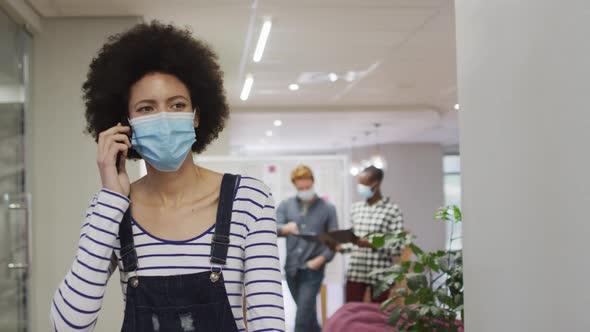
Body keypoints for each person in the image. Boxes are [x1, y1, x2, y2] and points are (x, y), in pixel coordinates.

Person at [50, 21, 285, 332]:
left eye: (177, 105)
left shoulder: (249, 200)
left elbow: (269, 324)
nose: (164, 118)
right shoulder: (108, 209)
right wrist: (112, 198)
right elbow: (68, 326)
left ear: (197, 115)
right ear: (125, 124)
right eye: (147, 109)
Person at [276, 165, 339, 332]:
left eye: (307, 187)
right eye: (300, 188)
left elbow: (334, 241)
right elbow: (273, 227)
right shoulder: (286, 205)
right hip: (291, 269)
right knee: (308, 315)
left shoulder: (328, 208)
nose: (304, 190)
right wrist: (285, 228)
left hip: (313, 270)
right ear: (295, 186)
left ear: (313, 182)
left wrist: (319, 261)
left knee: (302, 319)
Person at [337, 166, 404, 303]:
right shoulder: (356, 209)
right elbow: (354, 242)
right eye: (359, 183)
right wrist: (341, 247)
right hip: (356, 272)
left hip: (380, 274)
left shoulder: (392, 210)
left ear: (376, 184)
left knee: (376, 317)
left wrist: (372, 244)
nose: (360, 187)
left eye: (363, 184)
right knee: (352, 313)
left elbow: (397, 248)